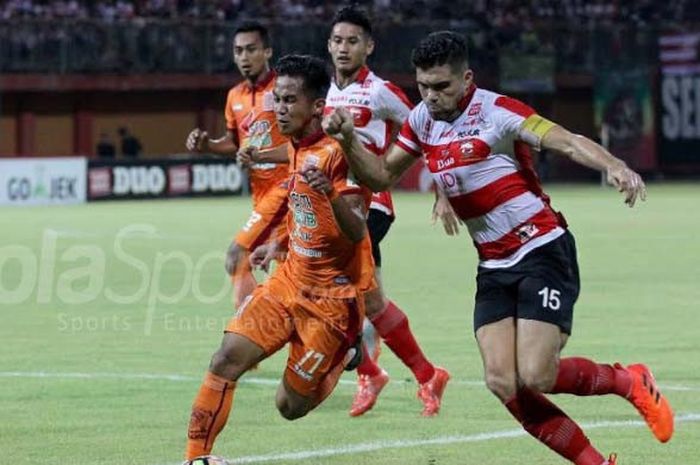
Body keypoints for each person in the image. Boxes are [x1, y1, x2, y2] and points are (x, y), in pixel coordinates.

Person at [324, 31, 673, 465]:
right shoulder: (419, 120)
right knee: (502, 381)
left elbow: (564, 139)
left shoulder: (498, 111)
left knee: (537, 375)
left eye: (442, 87)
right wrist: (348, 142)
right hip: (493, 264)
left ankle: (628, 381)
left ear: (466, 78)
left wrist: (614, 165)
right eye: (424, 87)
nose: (431, 96)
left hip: (543, 249)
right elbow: (378, 177)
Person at [184, 54, 374, 463]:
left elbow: (359, 229)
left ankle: (348, 352)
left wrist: (331, 194)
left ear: (318, 107)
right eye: (277, 99)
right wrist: (282, 242)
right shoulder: (295, 144)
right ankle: (197, 457)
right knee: (225, 359)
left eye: (289, 101)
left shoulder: (344, 153)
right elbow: (299, 197)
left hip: (332, 300)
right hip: (288, 281)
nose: (279, 109)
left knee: (289, 407)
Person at [325, 5, 450, 417]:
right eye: (338, 41)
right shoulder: (324, 93)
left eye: (353, 41)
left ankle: (369, 373)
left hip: (370, 204)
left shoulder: (380, 91)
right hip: (334, 206)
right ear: (329, 45)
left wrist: (443, 187)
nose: (344, 48)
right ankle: (425, 374)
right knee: (373, 301)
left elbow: (426, 126)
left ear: (369, 46)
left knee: (340, 295)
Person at [186, 21, 290, 309]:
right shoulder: (235, 97)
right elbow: (236, 142)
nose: (244, 57)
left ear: (267, 51)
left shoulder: (286, 89)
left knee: (237, 256)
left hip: (288, 191)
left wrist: (261, 155)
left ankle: (249, 330)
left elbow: (304, 142)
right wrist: (208, 146)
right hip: (261, 198)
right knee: (289, 281)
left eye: (251, 49)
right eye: (238, 51)